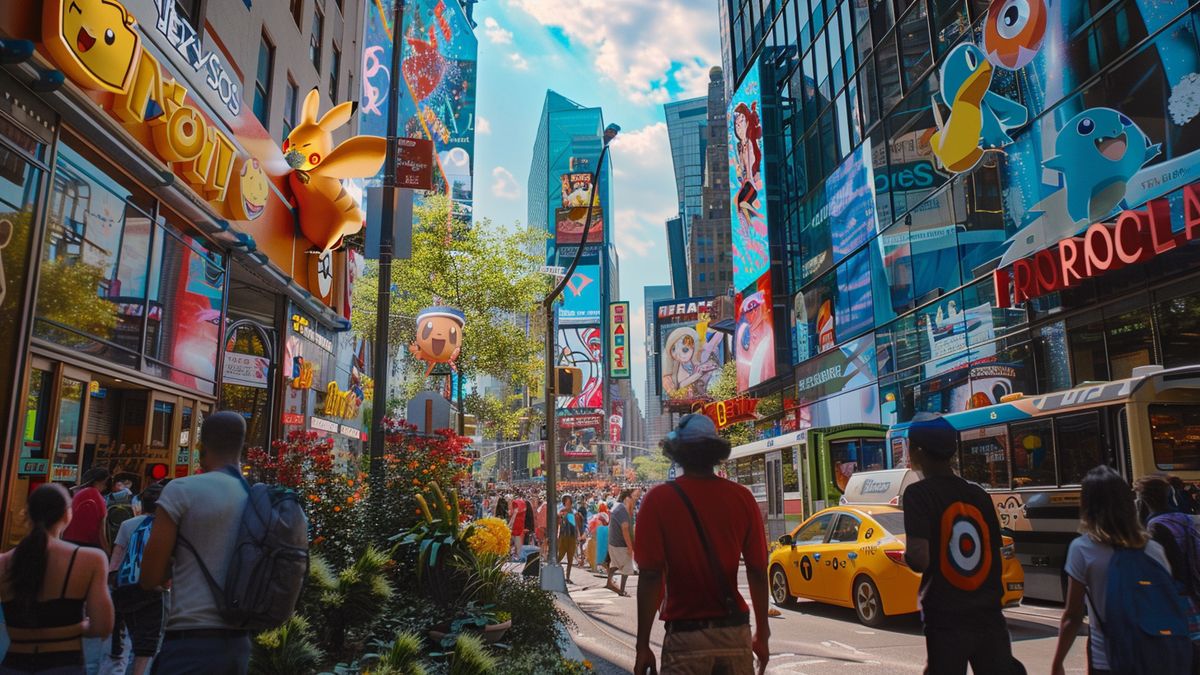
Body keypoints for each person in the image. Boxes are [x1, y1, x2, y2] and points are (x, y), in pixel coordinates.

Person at [634, 414, 769, 675]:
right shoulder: (742, 497)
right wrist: (762, 633)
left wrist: (642, 645)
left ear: (678, 453)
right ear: (715, 453)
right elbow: (757, 570)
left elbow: (651, 575)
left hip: (685, 638)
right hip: (735, 633)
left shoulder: (657, 500)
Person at [902, 414, 1020, 675]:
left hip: (946, 615)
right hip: (988, 612)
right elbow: (994, 552)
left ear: (918, 451)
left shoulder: (918, 495)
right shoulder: (978, 494)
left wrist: (906, 556)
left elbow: (919, 557)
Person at [139, 411, 253, 674]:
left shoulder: (182, 490)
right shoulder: (256, 498)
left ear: (202, 445)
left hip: (189, 641)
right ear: (242, 446)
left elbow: (149, 577)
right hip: (240, 644)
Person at [1052, 466, 1185, 675]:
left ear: (1087, 504)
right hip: (1157, 654)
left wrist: (1057, 662)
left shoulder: (1083, 549)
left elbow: (1073, 617)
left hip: (1108, 659)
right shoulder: (1154, 549)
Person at [0, 483, 114, 673]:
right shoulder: (90, 559)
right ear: (67, 514)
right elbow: (102, 626)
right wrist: (76, 628)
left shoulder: (4, 563)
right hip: (65, 663)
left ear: (27, 514)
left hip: (13, 664)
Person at [106, 483, 166, 675]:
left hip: (126, 590)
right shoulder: (166, 528)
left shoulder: (127, 524)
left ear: (140, 504)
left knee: (129, 642)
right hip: (154, 592)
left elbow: (115, 562)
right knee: (146, 648)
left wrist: (113, 587)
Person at [64, 467, 111, 549]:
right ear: (103, 481)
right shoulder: (98, 499)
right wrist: (108, 551)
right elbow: (101, 532)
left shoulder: (78, 494)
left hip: (68, 541)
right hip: (87, 545)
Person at [606, 489, 637, 597]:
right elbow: (625, 528)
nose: (635, 501)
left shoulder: (618, 507)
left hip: (614, 542)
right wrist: (630, 546)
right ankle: (619, 589)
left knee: (618, 564)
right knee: (625, 567)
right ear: (627, 498)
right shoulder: (622, 509)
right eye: (634, 498)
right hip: (619, 543)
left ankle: (611, 583)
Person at [557, 495, 579, 584]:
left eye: (569, 501)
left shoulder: (574, 512)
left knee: (570, 558)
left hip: (572, 536)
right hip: (563, 536)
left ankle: (568, 577)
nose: (568, 503)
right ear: (564, 502)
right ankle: (556, 573)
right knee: (560, 556)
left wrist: (578, 535)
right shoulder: (562, 511)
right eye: (566, 501)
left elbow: (575, 525)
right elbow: (559, 522)